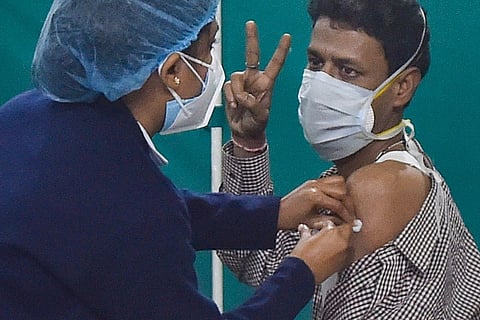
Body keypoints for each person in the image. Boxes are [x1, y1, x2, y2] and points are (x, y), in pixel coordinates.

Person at [0, 1, 356, 319]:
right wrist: (302, 272)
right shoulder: (135, 207)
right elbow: (135, 217)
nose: (215, 66)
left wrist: (273, 214)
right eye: (211, 46)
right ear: (173, 72)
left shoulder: (25, 115)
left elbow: (108, 213)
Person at [217, 1, 480, 319]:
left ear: (401, 87)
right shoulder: (384, 164)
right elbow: (257, 262)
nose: (322, 84)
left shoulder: (378, 188)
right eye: (315, 62)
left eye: (347, 70)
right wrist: (248, 141)